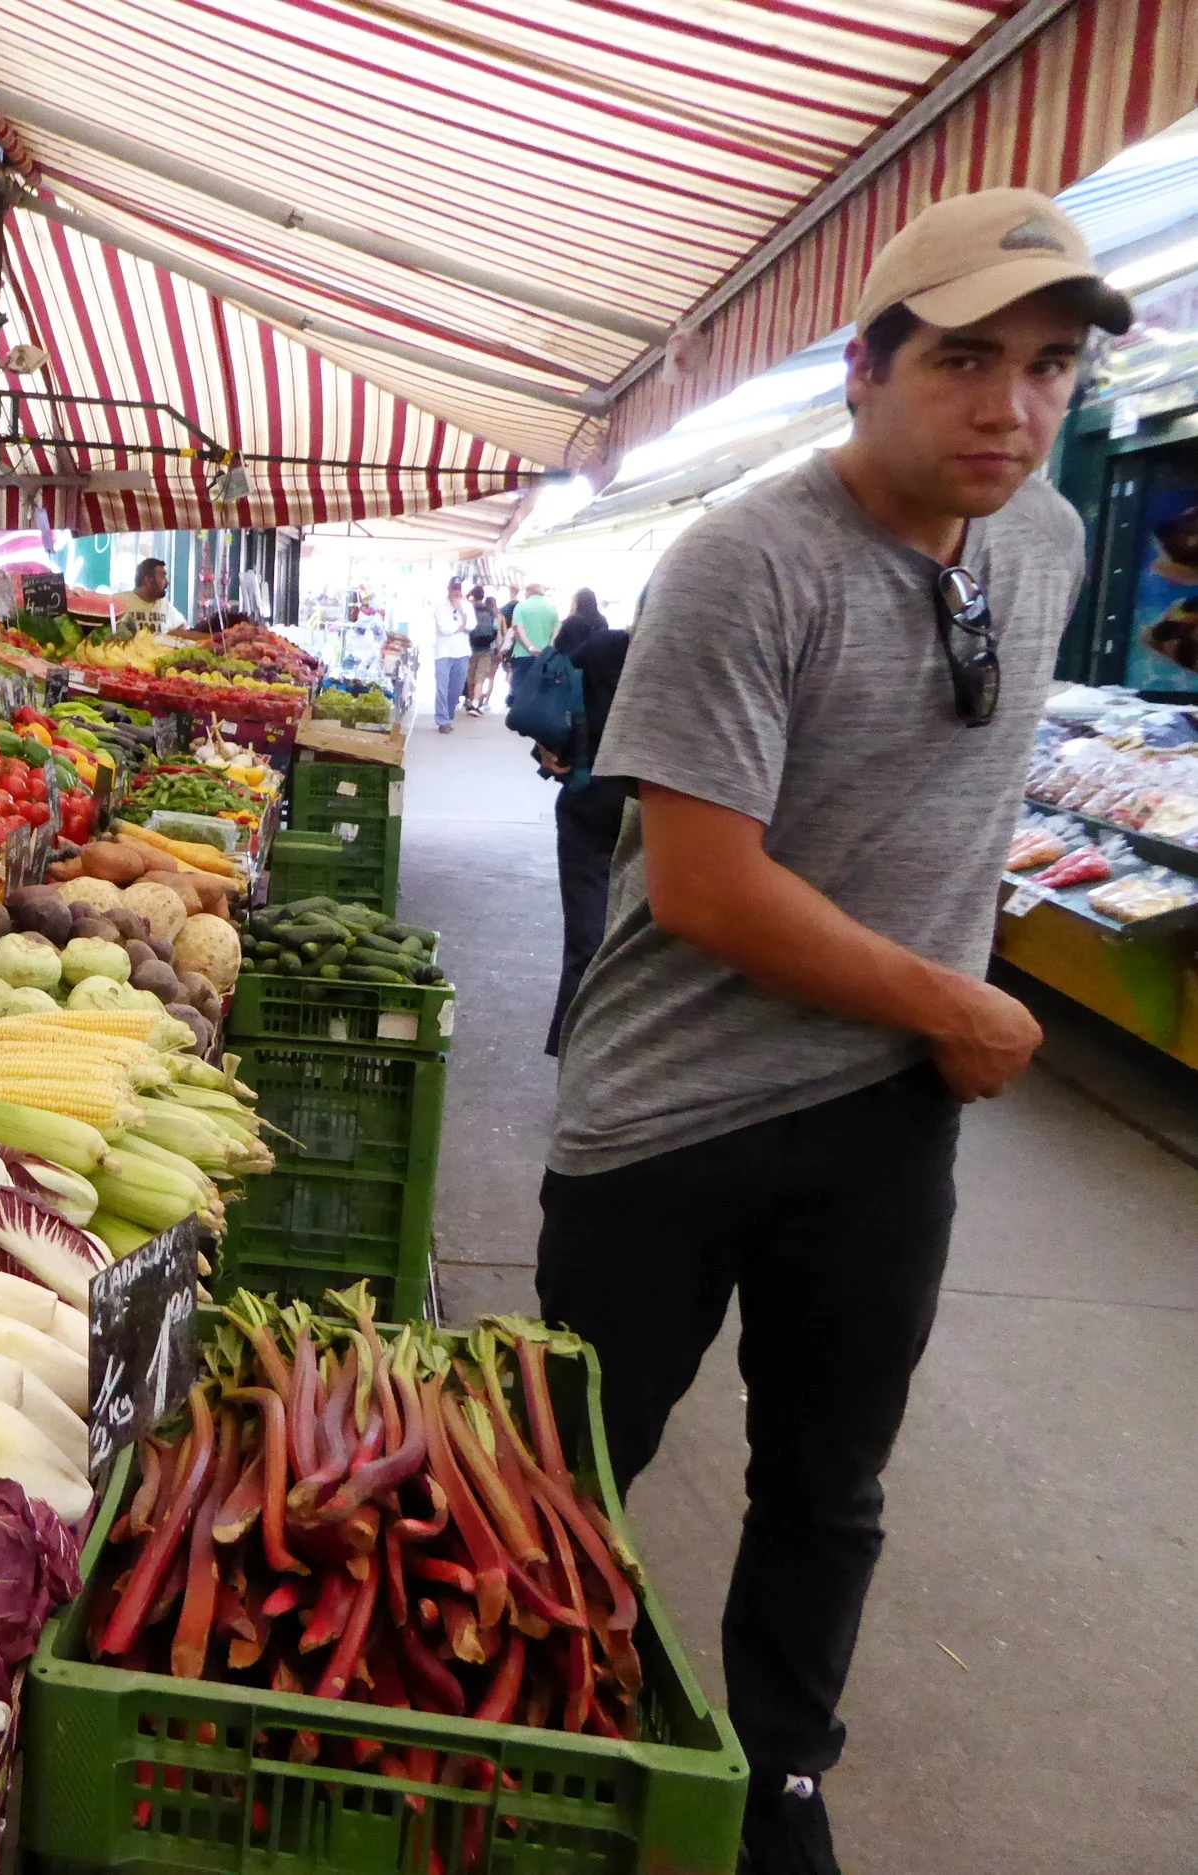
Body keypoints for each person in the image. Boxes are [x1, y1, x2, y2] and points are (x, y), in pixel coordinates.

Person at [539, 188, 1129, 1875]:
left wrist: (943, 992)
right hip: (670, 1122)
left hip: (883, 1121)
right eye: (962, 360)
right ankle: (538, 1725)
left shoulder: (1049, 540)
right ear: (867, 367)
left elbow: (964, 792)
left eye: (1049, 368)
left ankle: (783, 1777)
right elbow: (710, 889)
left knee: (829, 1482)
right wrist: (954, 997)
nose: (1009, 407)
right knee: (581, 1464)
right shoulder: (746, 559)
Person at [540, 588, 629, 1054]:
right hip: (624, 814)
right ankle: (592, 1058)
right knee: (608, 942)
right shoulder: (610, 649)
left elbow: (542, 695)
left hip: (598, 807)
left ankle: (583, 1056)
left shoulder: (601, 648)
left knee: (592, 941)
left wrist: (547, 746)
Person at [429, 577, 474, 731]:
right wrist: (460, 628)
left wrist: (460, 610)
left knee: (456, 687)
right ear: (448, 588)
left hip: (462, 652)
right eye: (453, 588)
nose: (455, 591)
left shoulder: (467, 606)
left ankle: (448, 714)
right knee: (442, 687)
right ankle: (443, 720)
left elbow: (471, 625)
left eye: (458, 588)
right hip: (443, 652)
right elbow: (444, 629)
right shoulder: (440, 606)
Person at [118, 556, 183, 633]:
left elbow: (181, 625)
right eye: (163, 576)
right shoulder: (119, 601)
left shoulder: (164, 604)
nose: (167, 582)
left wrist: (168, 639)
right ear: (148, 580)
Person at [466, 583, 502, 713]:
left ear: (472, 596)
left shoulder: (468, 609)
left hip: (470, 647)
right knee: (480, 677)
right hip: (486, 648)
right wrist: (498, 649)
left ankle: (471, 701)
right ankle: (475, 704)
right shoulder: (491, 611)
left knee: (470, 676)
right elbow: (496, 631)